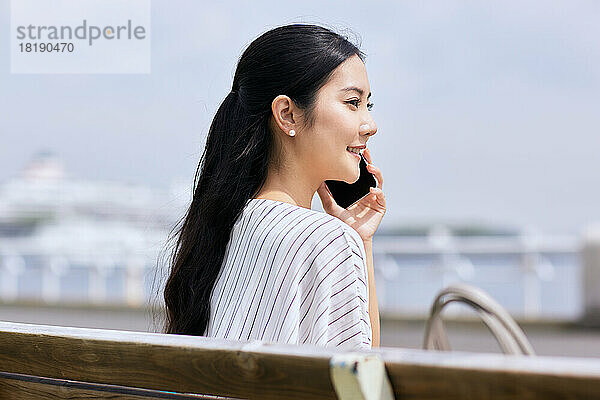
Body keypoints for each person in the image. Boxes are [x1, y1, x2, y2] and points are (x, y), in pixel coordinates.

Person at [163, 23, 386, 350]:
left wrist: (361, 240)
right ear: (287, 114)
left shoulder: (230, 222)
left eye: (368, 105)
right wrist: (351, 240)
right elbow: (361, 384)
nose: (370, 125)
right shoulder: (324, 240)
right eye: (353, 102)